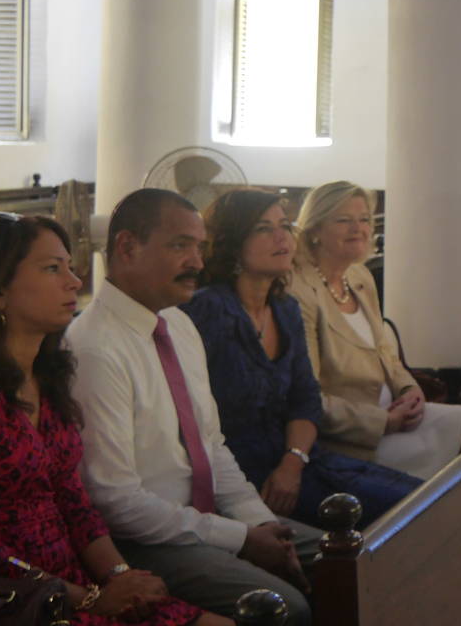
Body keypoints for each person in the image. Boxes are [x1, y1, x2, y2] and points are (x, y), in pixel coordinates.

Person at [0, 211, 227, 626]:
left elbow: (75, 504)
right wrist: (87, 598)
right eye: (53, 269)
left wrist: (121, 576)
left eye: (70, 267)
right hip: (5, 603)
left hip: (70, 584)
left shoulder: (45, 377)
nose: (74, 281)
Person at [67, 188, 324, 626]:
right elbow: (116, 500)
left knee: (349, 557)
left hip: (207, 519)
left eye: (200, 247)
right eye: (180, 245)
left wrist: (259, 524)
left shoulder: (179, 324)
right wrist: (240, 538)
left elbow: (211, 445)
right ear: (128, 247)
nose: (198, 263)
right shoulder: (93, 347)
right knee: (286, 608)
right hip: (146, 540)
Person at [184, 188, 421, 524]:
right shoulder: (208, 309)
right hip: (240, 474)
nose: (282, 237)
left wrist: (293, 462)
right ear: (233, 241)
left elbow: (305, 398)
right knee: (402, 514)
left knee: (425, 496)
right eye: (264, 229)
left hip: (297, 460)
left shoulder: (284, 307)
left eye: (285, 225)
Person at [286, 181, 461, 479]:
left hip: (397, 412)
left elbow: (386, 354)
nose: (358, 228)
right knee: (460, 476)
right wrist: (384, 421)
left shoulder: (359, 276)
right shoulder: (299, 291)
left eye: (364, 220)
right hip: (355, 434)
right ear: (315, 230)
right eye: (344, 220)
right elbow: (309, 395)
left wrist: (410, 390)